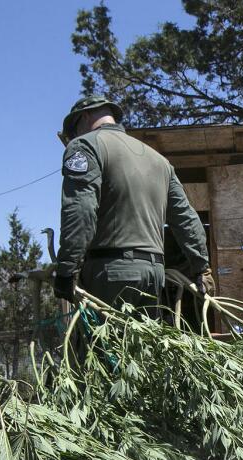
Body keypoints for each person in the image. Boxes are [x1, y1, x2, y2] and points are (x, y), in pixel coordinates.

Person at [52, 95, 209, 314]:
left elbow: (81, 211)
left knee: (102, 347)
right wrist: (202, 268)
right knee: (142, 346)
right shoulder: (160, 162)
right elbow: (186, 219)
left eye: (74, 130)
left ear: (84, 117)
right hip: (154, 275)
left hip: (110, 274)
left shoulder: (85, 146)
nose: (74, 136)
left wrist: (67, 269)